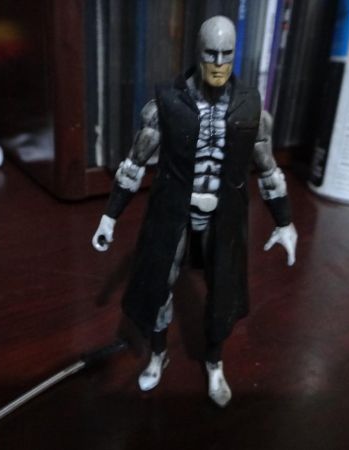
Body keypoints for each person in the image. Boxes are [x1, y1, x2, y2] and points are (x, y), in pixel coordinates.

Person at [92, 16, 297, 407]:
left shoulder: (251, 107)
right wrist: (109, 216)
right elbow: (134, 164)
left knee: (223, 290)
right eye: (210, 54)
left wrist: (284, 221)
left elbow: (268, 169)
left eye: (226, 54)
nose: (218, 63)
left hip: (224, 217)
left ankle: (214, 363)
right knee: (159, 284)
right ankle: (158, 355)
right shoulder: (166, 104)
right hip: (174, 212)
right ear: (198, 53)